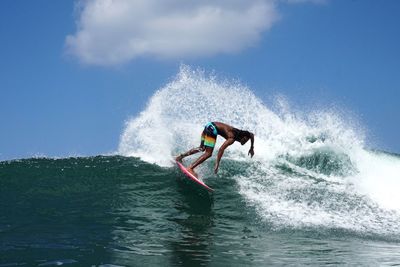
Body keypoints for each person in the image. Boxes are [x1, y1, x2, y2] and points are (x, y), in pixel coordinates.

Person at [175, 122, 254, 177]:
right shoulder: (232, 138)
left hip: (208, 125)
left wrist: (251, 147)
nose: (245, 142)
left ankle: (180, 157)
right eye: (245, 140)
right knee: (208, 153)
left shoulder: (240, 133)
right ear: (243, 137)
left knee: (201, 148)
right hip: (213, 129)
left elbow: (251, 135)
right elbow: (221, 149)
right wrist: (217, 163)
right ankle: (190, 168)